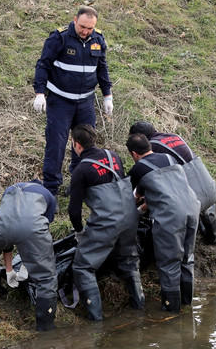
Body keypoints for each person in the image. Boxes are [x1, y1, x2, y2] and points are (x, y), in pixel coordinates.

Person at [33, 5, 113, 197]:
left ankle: (78, 183)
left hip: (85, 102)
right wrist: (39, 93)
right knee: (56, 144)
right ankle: (51, 187)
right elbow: (43, 65)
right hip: (61, 101)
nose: (86, 31)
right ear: (75, 20)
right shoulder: (59, 38)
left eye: (90, 28)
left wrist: (107, 95)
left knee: (85, 144)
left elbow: (102, 68)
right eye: (83, 26)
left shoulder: (98, 39)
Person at [68, 124, 143, 320]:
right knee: (129, 260)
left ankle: (96, 321)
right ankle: (140, 307)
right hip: (130, 216)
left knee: (83, 267)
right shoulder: (113, 156)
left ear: (77, 145)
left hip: (107, 223)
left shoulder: (81, 169)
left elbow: (73, 210)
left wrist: (79, 232)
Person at [126, 134, 200, 312]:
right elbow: (164, 187)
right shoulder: (169, 157)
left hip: (171, 216)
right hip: (192, 207)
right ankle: (187, 306)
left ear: (134, 154)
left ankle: (172, 314)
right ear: (149, 146)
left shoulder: (138, 169)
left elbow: (130, 198)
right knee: (187, 259)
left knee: (169, 263)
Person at [0, 180, 58, 331]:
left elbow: (7, 239)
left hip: (0, 227)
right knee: (46, 278)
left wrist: (9, 270)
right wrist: (27, 265)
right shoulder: (48, 196)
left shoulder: (10, 189)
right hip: (31, 229)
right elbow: (38, 231)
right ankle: (46, 330)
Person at [129, 121, 216, 245]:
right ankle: (212, 238)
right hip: (211, 189)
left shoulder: (152, 148)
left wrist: (139, 207)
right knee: (205, 203)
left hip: (192, 199)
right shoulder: (174, 136)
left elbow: (154, 183)